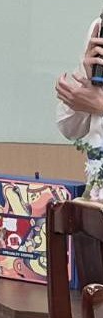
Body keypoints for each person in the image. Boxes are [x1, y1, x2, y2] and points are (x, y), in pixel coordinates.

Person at [56, 15, 103, 200]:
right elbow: (69, 128)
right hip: (96, 197)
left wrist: (100, 106)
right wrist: (84, 87)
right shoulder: (99, 28)